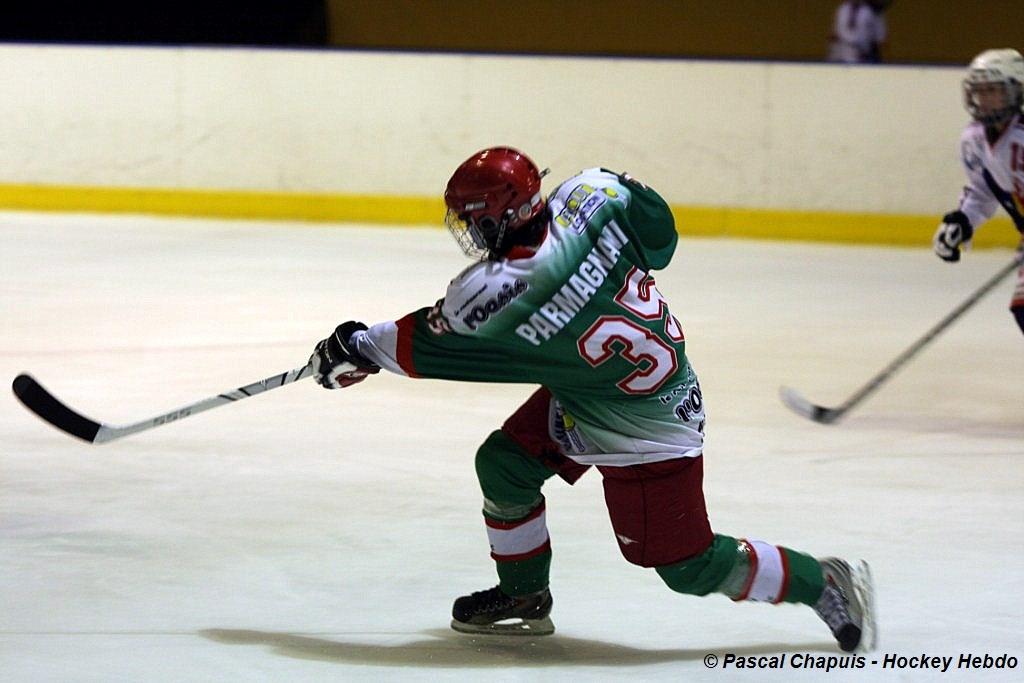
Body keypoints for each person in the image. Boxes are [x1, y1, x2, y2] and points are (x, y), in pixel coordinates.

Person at [308, 147, 876, 652]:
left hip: (644, 427)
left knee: (686, 565)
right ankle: (524, 597)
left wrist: (357, 346)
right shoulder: (590, 193)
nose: (469, 231)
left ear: (499, 216)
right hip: (600, 385)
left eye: (473, 218)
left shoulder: (499, 289)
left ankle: (823, 580)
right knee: (505, 466)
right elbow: (661, 240)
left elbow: (436, 345)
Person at [933, 48, 1024, 335]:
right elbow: (983, 192)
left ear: (1015, 90)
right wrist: (963, 221)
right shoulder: (973, 140)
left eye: (993, 90)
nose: (984, 98)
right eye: (980, 91)